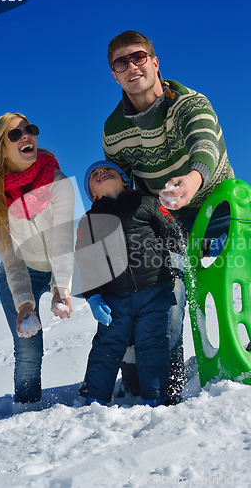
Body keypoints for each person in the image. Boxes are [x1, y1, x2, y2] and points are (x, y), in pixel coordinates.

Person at [103, 30, 251, 403]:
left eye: (138, 57)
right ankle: (164, 383)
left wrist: (193, 180)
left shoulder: (191, 103)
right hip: (168, 221)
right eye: (121, 62)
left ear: (155, 62)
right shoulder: (114, 131)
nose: (132, 66)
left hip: (218, 206)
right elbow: (125, 183)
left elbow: (205, 144)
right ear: (114, 74)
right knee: (167, 292)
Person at [0, 113, 75, 412]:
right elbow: (11, 258)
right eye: (15, 134)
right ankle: (27, 410)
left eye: (30, 130)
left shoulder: (58, 181)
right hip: (20, 270)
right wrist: (24, 303)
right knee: (28, 348)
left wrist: (61, 286)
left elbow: (62, 240)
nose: (26, 136)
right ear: (1, 148)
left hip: (54, 264)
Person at [75, 160, 188, 407]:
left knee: (153, 347)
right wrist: (93, 297)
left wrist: (203, 246)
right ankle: (94, 401)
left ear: (124, 180)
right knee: (106, 348)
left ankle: (155, 400)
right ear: (93, 194)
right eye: (94, 174)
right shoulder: (89, 219)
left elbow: (174, 235)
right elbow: (86, 261)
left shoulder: (147, 203)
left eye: (107, 169)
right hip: (114, 298)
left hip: (155, 291)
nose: (101, 172)